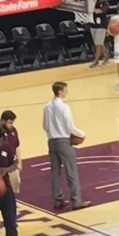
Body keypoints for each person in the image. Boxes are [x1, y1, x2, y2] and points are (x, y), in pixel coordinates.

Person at [42, 80, 84, 211]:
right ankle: (76, 201)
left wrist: (52, 134)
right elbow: (69, 126)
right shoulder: (65, 108)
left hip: (51, 141)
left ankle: (57, 200)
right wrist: (82, 134)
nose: (67, 92)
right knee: (71, 171)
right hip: (63, 141)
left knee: (55, 172)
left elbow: (44, 125)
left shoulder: (46, 107)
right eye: (65, 90)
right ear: (60, 91)